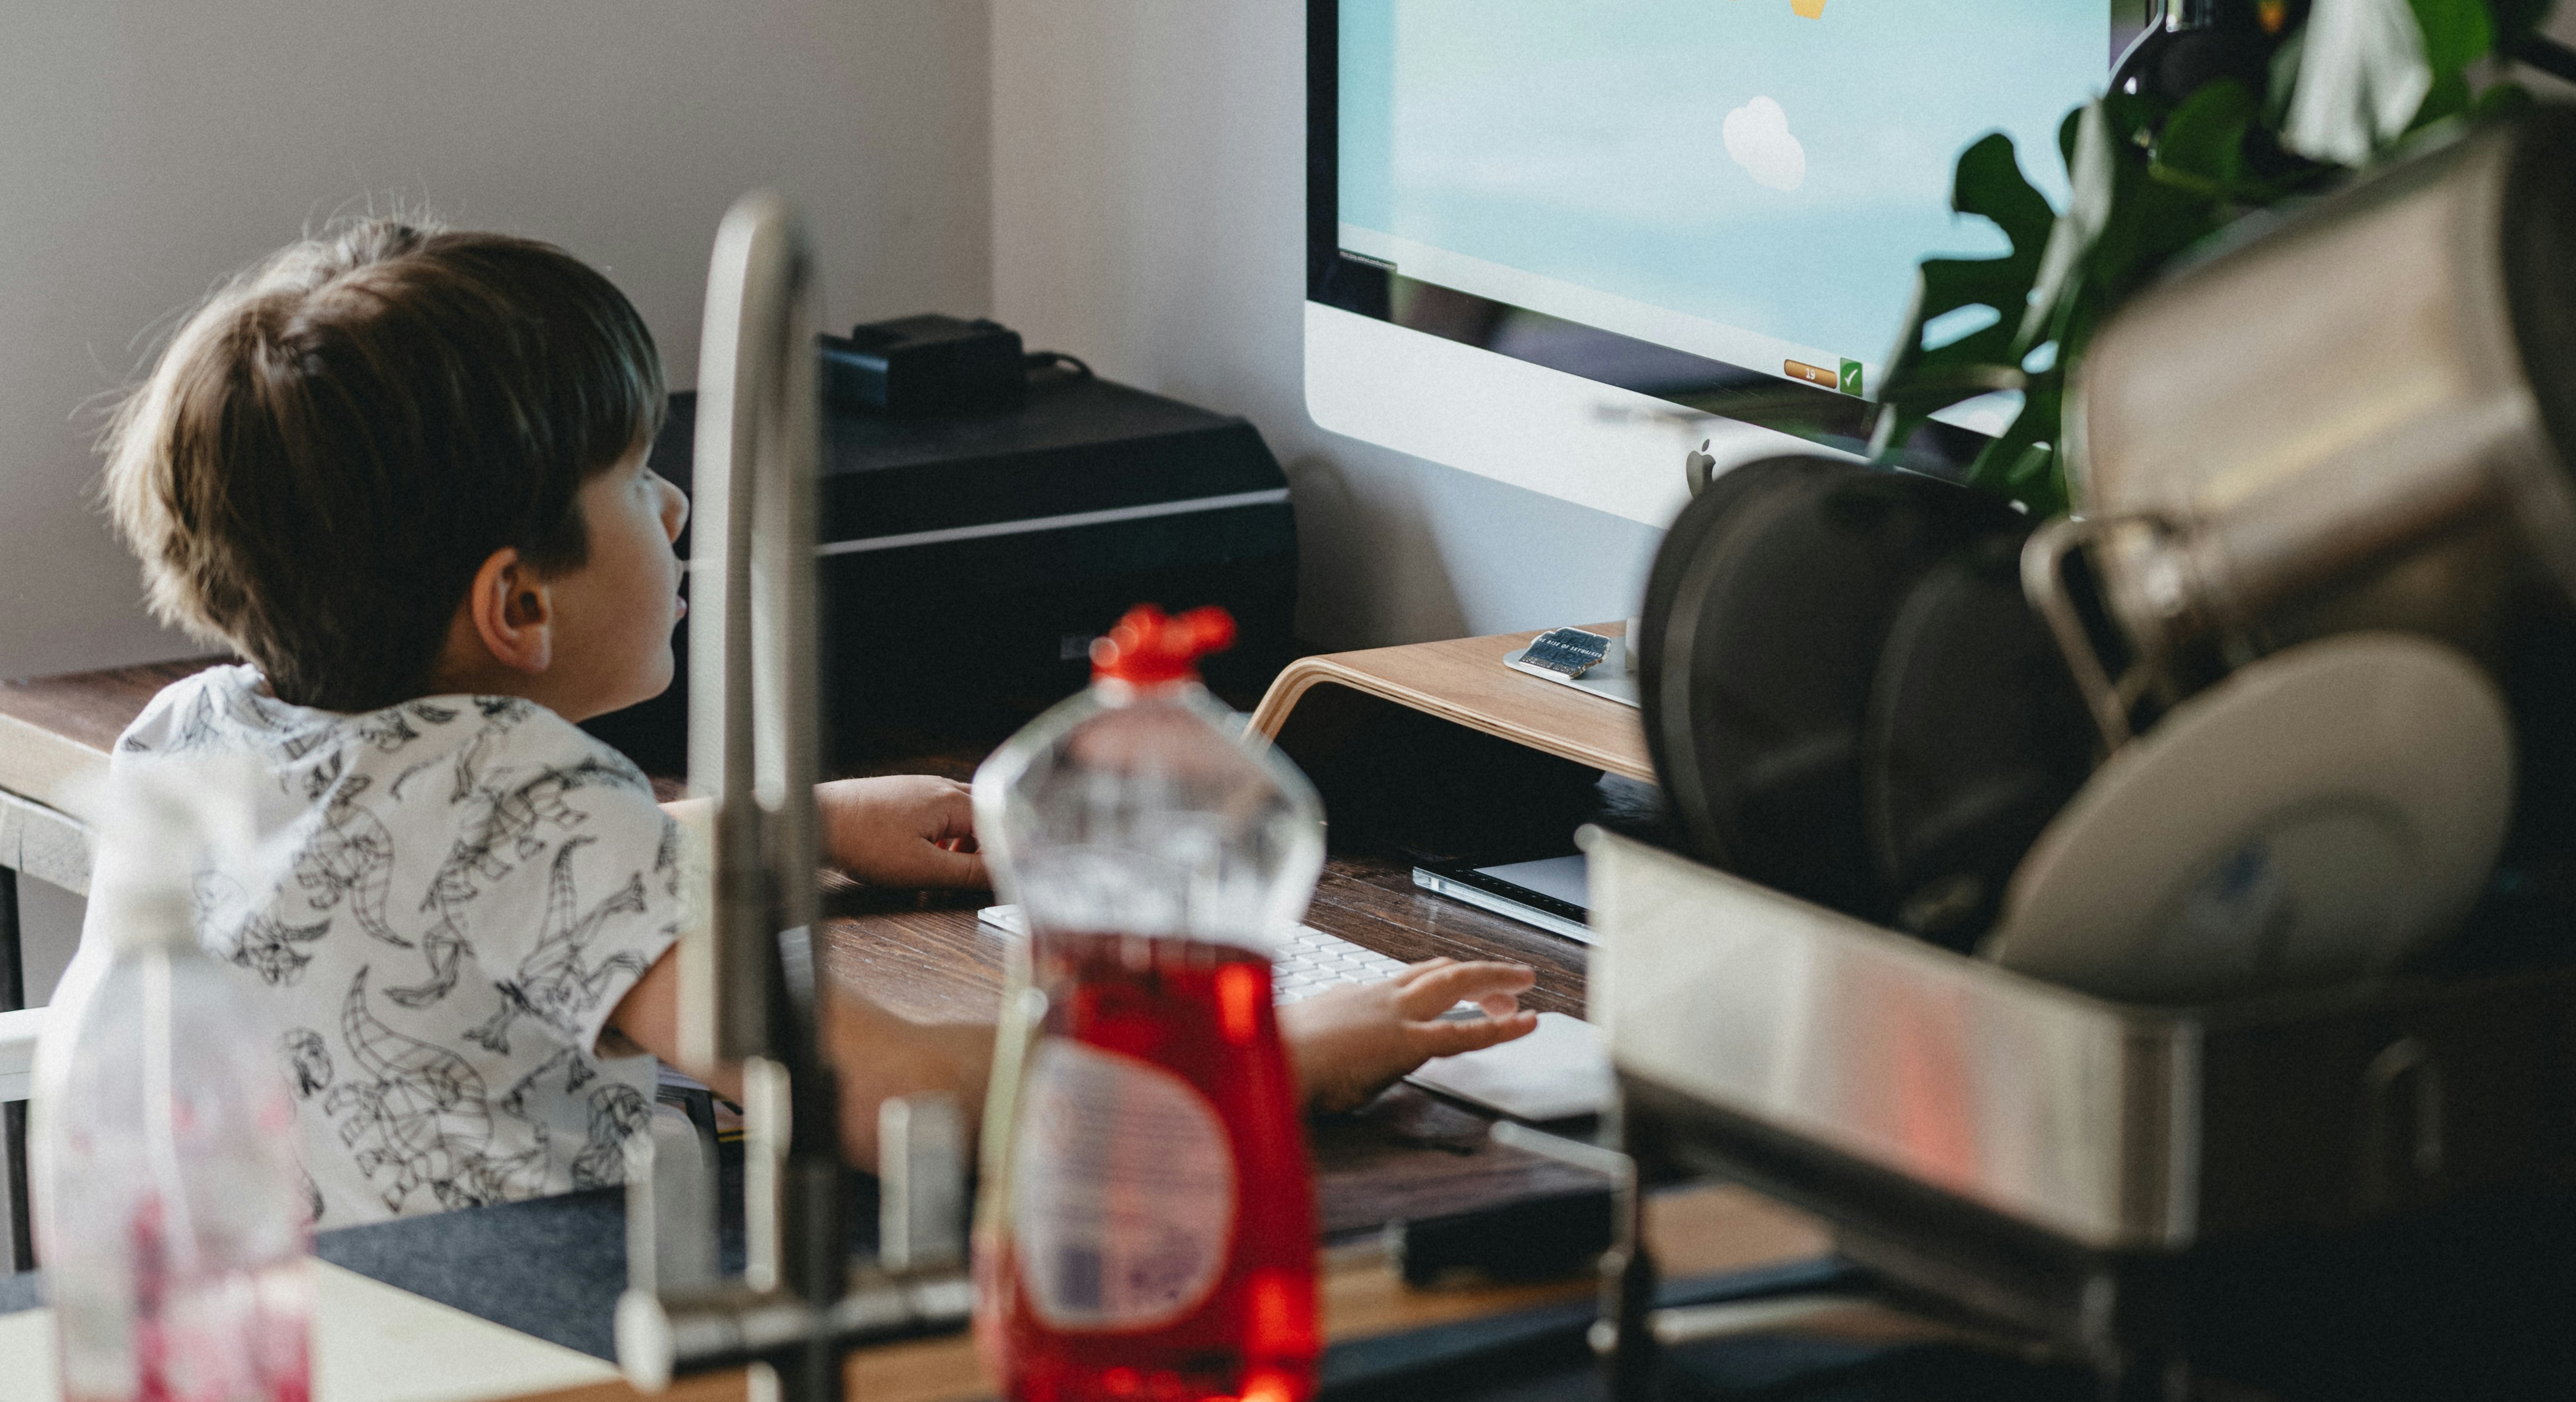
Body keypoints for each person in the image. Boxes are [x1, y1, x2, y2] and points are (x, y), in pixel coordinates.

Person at [91, 221, 1536, 1225]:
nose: (675, 507)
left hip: (307, 1376)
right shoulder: (532, 796)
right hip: (524, 1399)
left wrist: (799, 828)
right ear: (515, 606)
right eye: (634, 482)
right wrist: (1286, 1052)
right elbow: (892, 1094)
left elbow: (426, 879)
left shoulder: (191, 739)